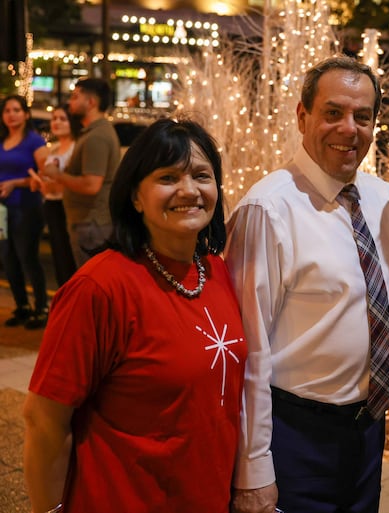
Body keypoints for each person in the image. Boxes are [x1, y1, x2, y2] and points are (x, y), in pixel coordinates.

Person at [22, 118, 248, 513]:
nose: (189, 190)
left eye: (201, 175)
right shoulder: (100, 287)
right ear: (136, 197)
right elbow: (44, 421)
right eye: (168, 177)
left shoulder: (216, 271)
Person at [225, 55, 389, 513]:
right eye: (333, 113)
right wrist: (253, 469)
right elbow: (249, 350)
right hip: (295, 435)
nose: (350, 128)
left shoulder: (386, 201)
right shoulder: (268, 209)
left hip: (366, 432)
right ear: (302, 116)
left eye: (363, 116)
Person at [41, 77, 121, 267]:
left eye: (76, 97)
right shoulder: (92, 133)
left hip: (92, 225)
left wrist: (55, 173)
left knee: (91, 283)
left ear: (91, 102)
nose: (70, 102)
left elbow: (91, 185)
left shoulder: (97, 136)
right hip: (88, 223)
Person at [0, 94, 49, 329]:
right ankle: (22, 306)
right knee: (7, 258)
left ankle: (41, 308)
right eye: (7, 110)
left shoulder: (34, 142)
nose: (11, 114)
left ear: (26, 114)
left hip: (26, 207)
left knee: (27, 257)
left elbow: (43, 176)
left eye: (16, 110)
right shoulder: (2, 141)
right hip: (3, 210)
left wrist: (15, 183)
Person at [29, 105, 80, 286]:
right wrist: (37, 181)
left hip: (68, 206)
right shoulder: (54, 148)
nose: (56, 122)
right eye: (54, 118)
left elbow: (73, 180)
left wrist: (54, 184)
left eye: (62, 119)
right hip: (51, 205)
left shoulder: (77, 148)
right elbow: (45, 176)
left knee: (70, 257)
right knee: (59, 255)